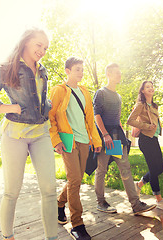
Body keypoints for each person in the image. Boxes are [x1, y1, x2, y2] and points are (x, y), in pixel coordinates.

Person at [0, 28, 58, 240]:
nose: (42, 51)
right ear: (25, 42)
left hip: (41, 132)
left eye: (45, 48)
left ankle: (53, 237)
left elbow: (39, 99)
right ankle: (8, 236)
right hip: (15, 134)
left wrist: (47, 106)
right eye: (38, 45)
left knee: (50, 188)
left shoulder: (42, 70)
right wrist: (8, 108)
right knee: (12, 191)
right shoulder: (4, 69)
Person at [49, 57, 102, 240]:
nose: (80, 72)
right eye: (77, 69)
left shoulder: (85, 92)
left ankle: (59, 203)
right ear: (67, 71)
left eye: (82, 69)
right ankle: (77, 225)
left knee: (77, 179)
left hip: (84, 141)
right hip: (68, 140)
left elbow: (90, 120)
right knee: (74, 181)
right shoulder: (59, 91)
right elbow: (51, 117)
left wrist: (95, 141)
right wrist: (56, 140)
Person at [93, 63, 156, 215]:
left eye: (120, 73)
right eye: (116, 73)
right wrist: (105, 135)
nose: (119, 75)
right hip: (105, 136)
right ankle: (101, 202)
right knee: (102, 169)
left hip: (116, 137)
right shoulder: (100, 93)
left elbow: (117, 118)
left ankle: (135, 204)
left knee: (125, 168)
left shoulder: (118, 96)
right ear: (108, 74)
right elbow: (97, 116)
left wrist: (121, 134)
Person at [127, 81, 163, 211]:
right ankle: (159, 200)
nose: (151, 88)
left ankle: (140, 184)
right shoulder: (140, 105)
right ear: (142, 91)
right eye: (147, 87)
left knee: (159, 169)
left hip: (154, 139)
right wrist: (147, 126)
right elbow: (130, 120)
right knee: (154, 169)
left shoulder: (154, 105)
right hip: (145, 140)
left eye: (152, 86)